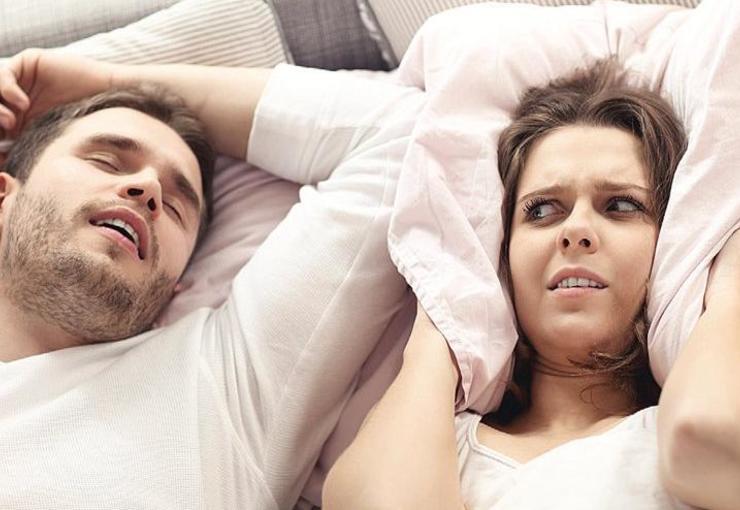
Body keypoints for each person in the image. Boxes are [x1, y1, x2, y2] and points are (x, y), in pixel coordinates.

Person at [0, 49, 425, 509]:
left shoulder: (223, 385)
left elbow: (403, 136)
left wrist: (110, 78)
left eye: (176, 208)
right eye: (106, 161)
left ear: (175, 286)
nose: (149, 189)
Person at [323, 60, 740, 509]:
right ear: (503, 255)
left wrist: (727, 283)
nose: (576, 230)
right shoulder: (439, 445)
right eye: (541, 211)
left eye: (620, 205)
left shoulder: (678, 427)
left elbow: (704, 437)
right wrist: (444, 306)